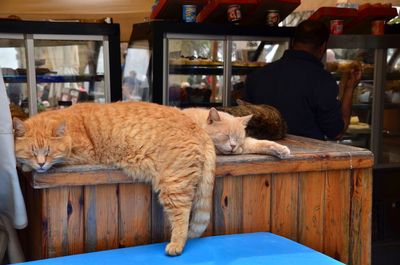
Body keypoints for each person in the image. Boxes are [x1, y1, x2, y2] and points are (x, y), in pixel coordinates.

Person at [244, 20, 362, 140]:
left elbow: (246, 125)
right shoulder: (322, 79)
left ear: (293, 42)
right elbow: (336, 132)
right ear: (323, 47)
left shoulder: (257, 75)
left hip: (262, 155)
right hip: (306, 157)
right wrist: (349, 89)